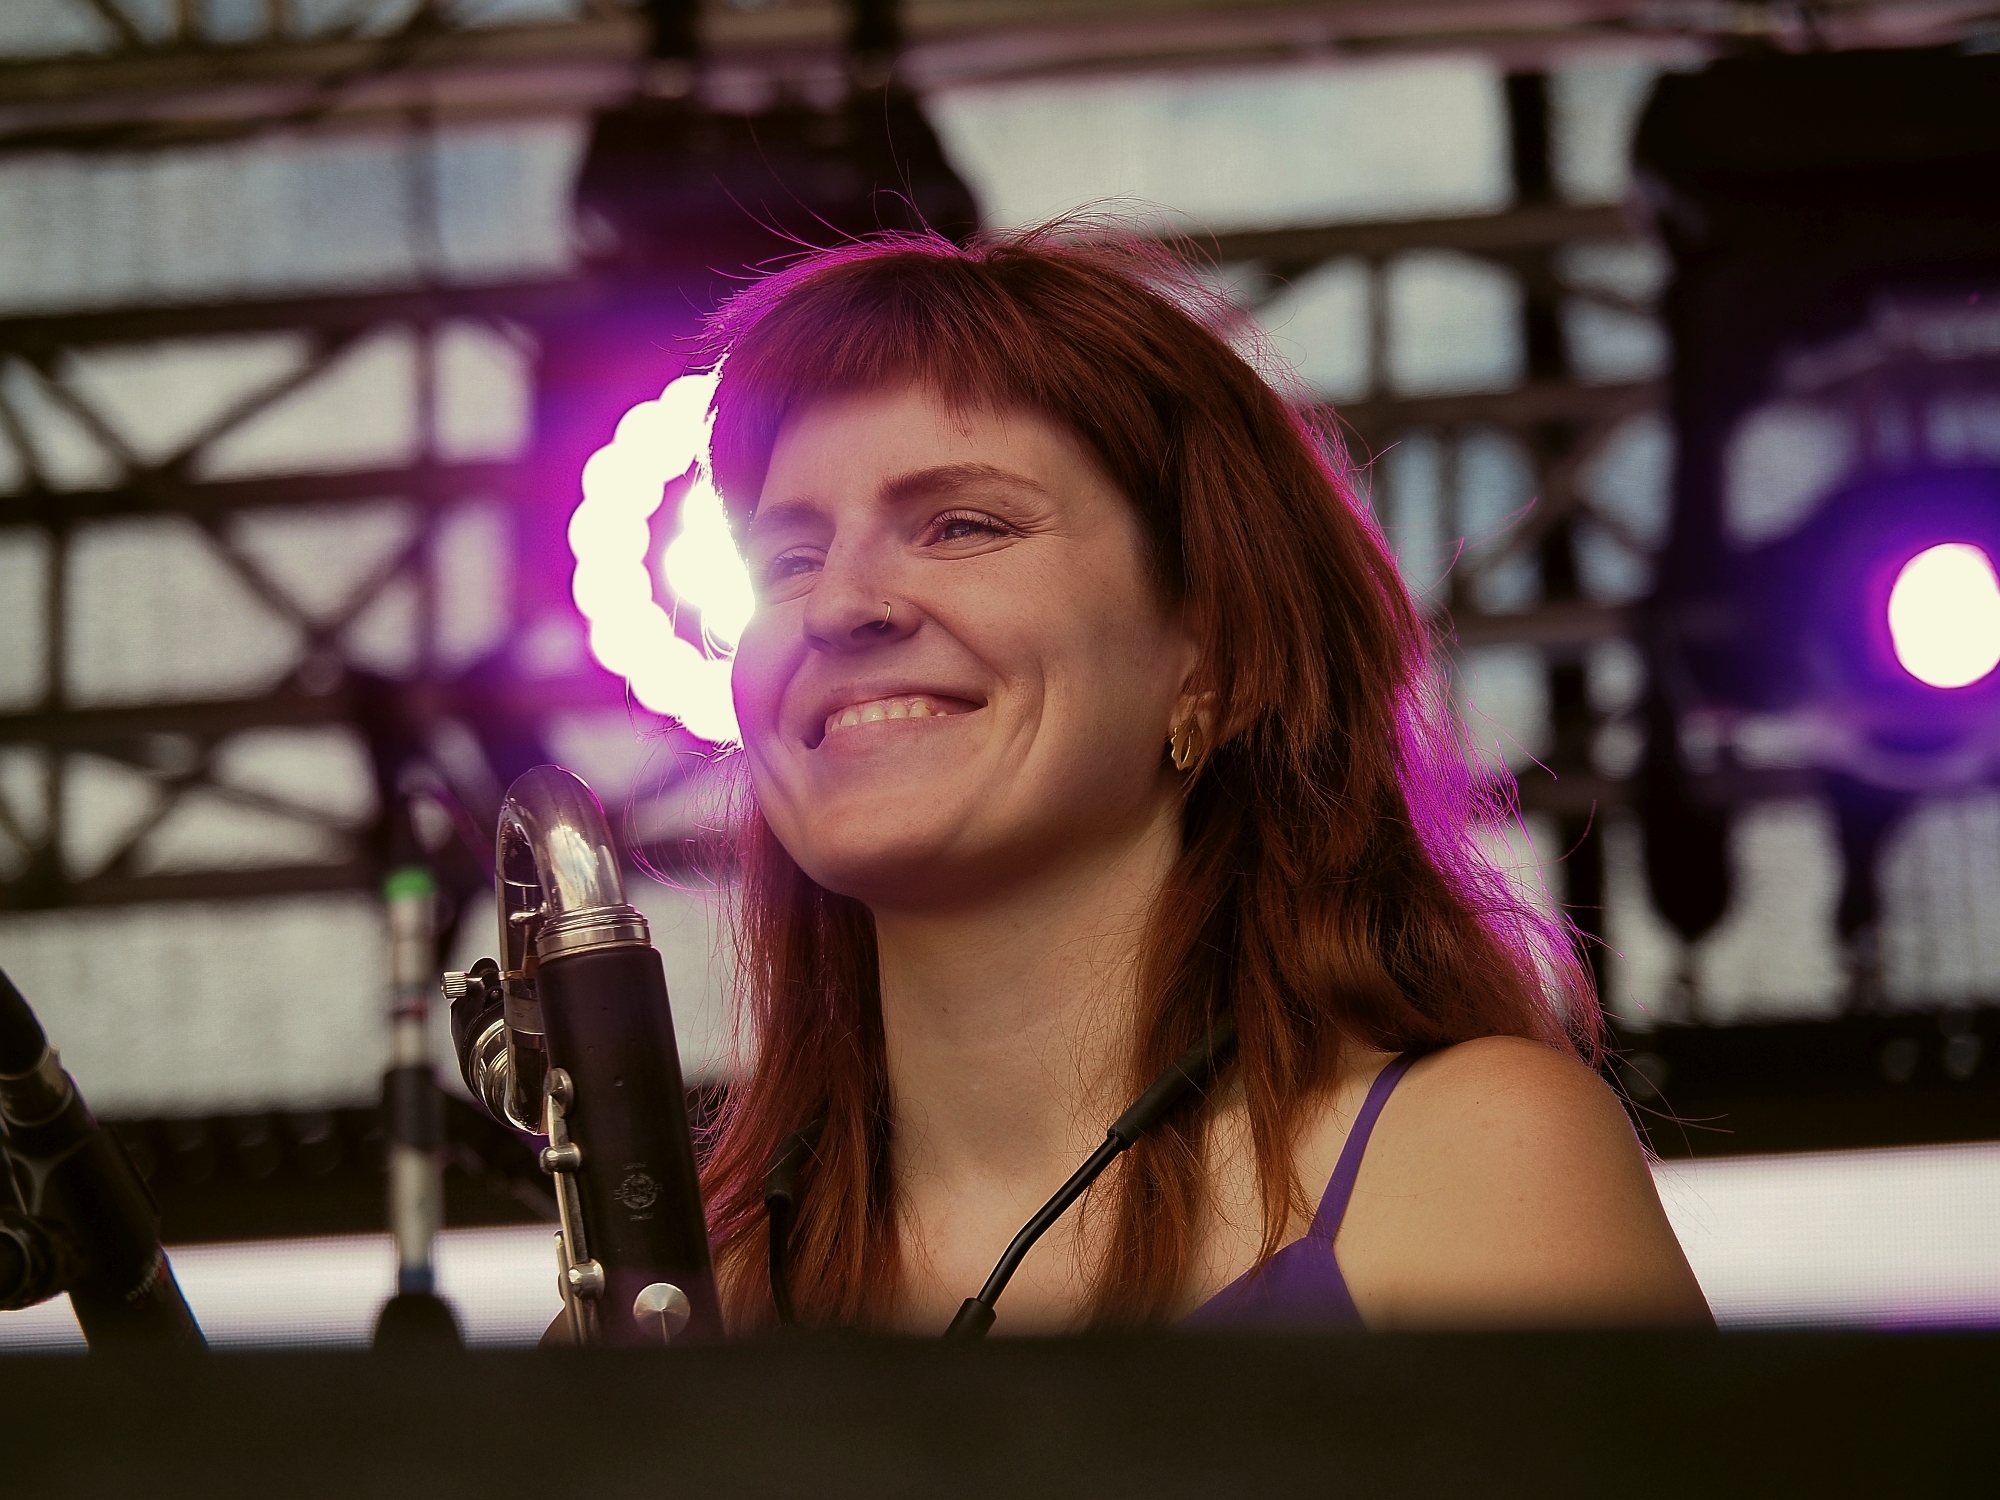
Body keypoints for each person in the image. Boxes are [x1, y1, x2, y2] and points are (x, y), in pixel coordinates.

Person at [691, 226, 1711, 1334]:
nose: (840, 604)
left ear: (1211, 660)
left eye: (961, 526)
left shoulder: (1477, 1158)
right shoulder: (690, 1301)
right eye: (786, 559)